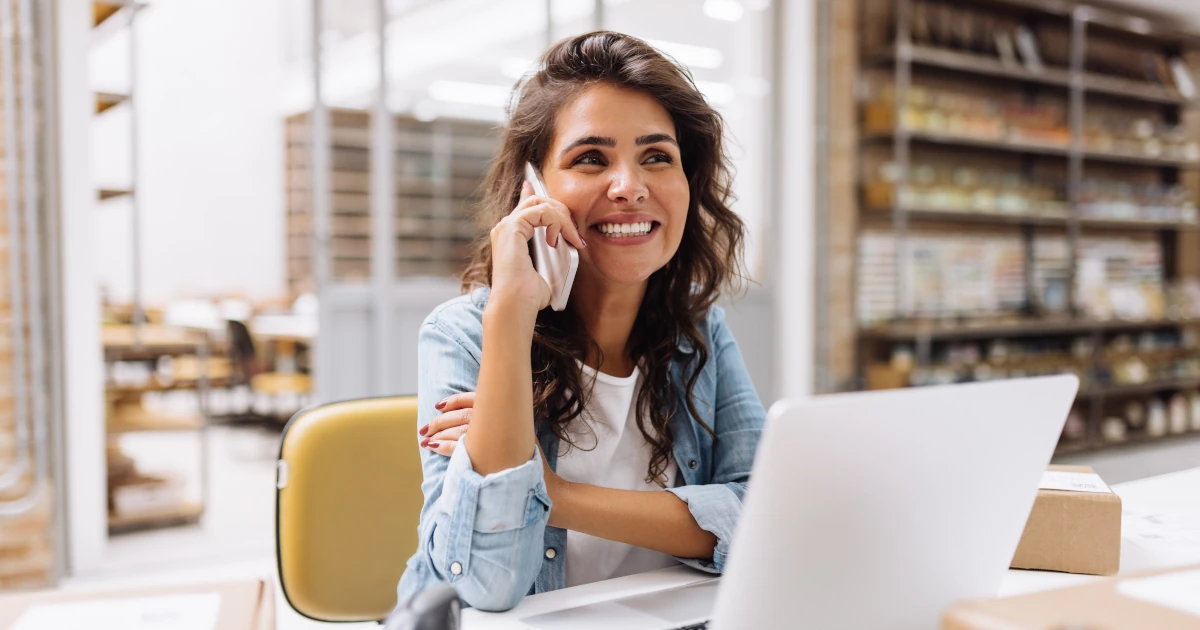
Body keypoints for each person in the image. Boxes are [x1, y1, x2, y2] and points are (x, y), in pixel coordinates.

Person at [396, 30, 766, 612]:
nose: (630, 187)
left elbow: (764, 518)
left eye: (656, 157)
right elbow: (486, 586)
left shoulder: (698, 330)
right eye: (591, 158)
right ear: (533, 189)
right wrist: (511, 314)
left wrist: (555, 494)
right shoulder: (466, 333)